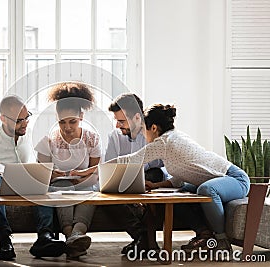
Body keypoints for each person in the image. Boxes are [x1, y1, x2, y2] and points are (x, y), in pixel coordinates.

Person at [78, 104, 250, 255]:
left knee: (206, 190)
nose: (143, 135)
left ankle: (221, 241)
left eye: (145, 129)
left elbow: (129, 160)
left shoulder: (164, 142)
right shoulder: (172, 139)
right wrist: (157, 185)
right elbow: (181, 178)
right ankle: (203, 234)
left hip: (235, 179)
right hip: (219, 181)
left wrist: (91, 170)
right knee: (180, 192)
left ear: (153, 128)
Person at [0, 95, 66, 259]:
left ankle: (45, 238)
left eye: (27, 118)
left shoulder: (30, 136)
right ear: (3, 119)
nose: (24, 123)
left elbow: (37, 164)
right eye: (19, 120)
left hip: (25, 183)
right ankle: (4, 239)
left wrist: (48, 172)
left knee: (43, 181)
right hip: (0, 182)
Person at [35, 82, 101, 258]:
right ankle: (72, 236)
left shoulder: (92, 138)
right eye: (62, 122)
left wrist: (84, 175)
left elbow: (96, 169)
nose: (67, 127)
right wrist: (52, 174)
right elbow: (40, 174)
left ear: (81, 116)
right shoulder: (48, 141)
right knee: (62, 188)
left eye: (73, 121)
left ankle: (76, 234)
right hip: (59, 185)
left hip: (84, 183)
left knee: (89, 190)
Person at [103, 93, 165, 255]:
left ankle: (143, 239)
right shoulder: (114, 137)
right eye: (116, 121)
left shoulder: (154, 134)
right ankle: (142, 236)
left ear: (137, 117)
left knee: (155, 173)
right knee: (105, 196)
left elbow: (165, 166)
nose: (117, 126)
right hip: (123, 183)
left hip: (151, 182)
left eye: (121, 121)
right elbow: (109, 169)